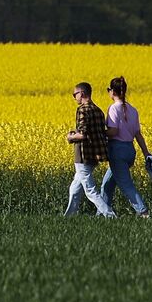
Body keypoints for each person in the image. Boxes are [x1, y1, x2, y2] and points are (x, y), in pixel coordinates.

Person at [100, 76, 152, 217]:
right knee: (107, 185)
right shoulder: (133, 110)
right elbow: (138, 134)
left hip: (117, 151)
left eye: (109, 90)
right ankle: (102, 214)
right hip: (130, 150)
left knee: (126, 185)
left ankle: (144, 213)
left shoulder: (113, 108)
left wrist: (98, 133)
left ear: (112, 91)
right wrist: (146, 153)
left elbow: (113, 131)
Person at [64, 82, 117, 218]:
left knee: (89, 190)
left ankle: (110, 215)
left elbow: (82, 133)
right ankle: (69, 216)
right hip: (95, 154)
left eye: (74, 94)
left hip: (83, 154)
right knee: (75, 187)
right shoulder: (98, 110)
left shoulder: (83, 110)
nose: (74, 97)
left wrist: (70, 137)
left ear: (82, 93)